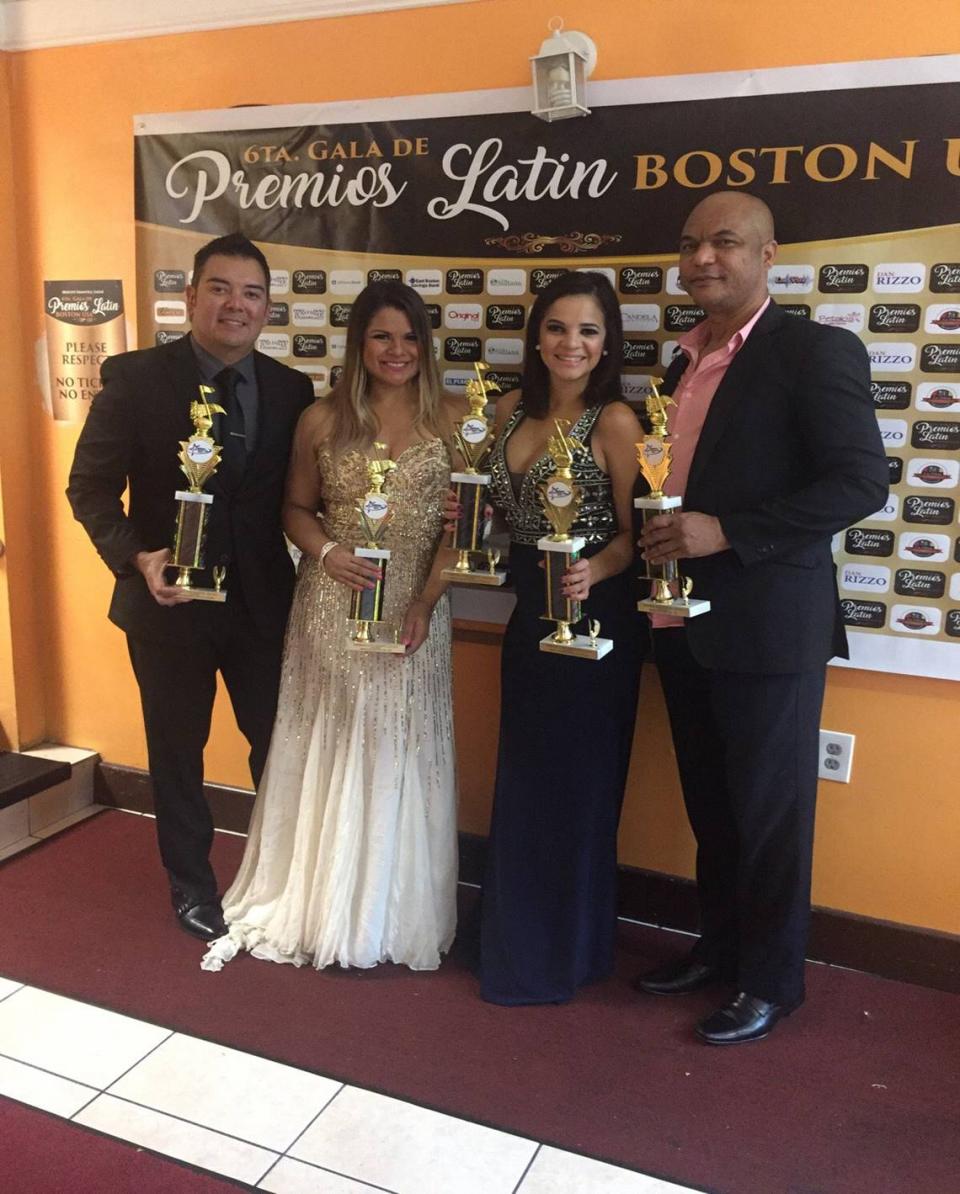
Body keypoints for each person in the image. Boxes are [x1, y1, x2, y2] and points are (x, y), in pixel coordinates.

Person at [633, 191, 888, 1043]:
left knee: (770, 814)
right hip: (681, 623)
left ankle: (772, 981)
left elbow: (861, 484)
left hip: (770, 628)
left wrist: (726, 533)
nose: (704, 257)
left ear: (769, 253)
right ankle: (720, 950)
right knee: (713, 806)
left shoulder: (814, 351)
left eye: (726, 243)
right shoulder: (679, 363)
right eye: (691, 244)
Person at [201, 281, 460, 974]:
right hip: (329, 603)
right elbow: (293, 510)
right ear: (358, 344)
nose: (396, 351)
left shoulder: (459, 420)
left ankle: (384, 907)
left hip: (415, 608)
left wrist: (425, 604)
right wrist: (328, 553)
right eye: (381, 336)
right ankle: (317, 898)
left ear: (424, 344)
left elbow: (464, 532)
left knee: (396, 748)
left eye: (409, 337)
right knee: (334, 742)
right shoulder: (321, 420)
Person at [67, 233, 313, 941]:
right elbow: (87, 491)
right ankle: (193, 884)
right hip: (167, 605)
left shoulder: (291, 390)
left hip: (264, 606)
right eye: (221, 288)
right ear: (190, 296)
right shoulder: (135, 379)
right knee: (178, 751)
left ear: (268, 308)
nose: (237, 304)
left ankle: (280, 875)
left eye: (252, 292)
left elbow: (300, 495)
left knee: (277, 744)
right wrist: (138, 557)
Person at [474, 270, 642, 1005]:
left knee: (577, 789)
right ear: (536, 335)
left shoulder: (616, 423)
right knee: (524, 779)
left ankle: (565, 952)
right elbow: (491, 512)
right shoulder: (505, 412)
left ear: (607, 344)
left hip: (597, 623)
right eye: (557, 328)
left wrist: (592, 571)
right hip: (528, 619)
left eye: (588, 331)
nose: (570, 343)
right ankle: (512, 939)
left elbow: (639, 536)